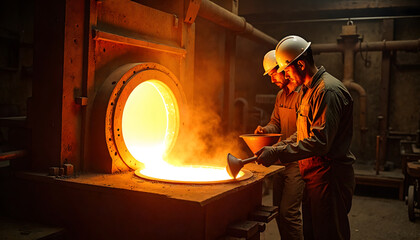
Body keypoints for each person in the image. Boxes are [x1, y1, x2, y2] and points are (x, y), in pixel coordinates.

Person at [255, 35, 355, 240]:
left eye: (286, 70)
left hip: (329, 176)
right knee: (312, 233)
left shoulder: (327, 91)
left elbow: (319, 142)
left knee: (329, 234)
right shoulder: (308, 91)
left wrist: (278, 151)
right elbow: (302, 134)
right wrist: (276, 148)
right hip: (313, 174)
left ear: (300, 64)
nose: (284, 76)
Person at [254, 50, 305, 240]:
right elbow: (276, 122)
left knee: (289, 214)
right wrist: (266, 130)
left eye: (273, 74)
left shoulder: (303, 96)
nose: (272, 79)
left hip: (297, 161)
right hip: (280, 160)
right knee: (278, 212)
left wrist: (277, 147)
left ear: (284, 69)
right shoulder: (280, 96)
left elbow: (301, 133)